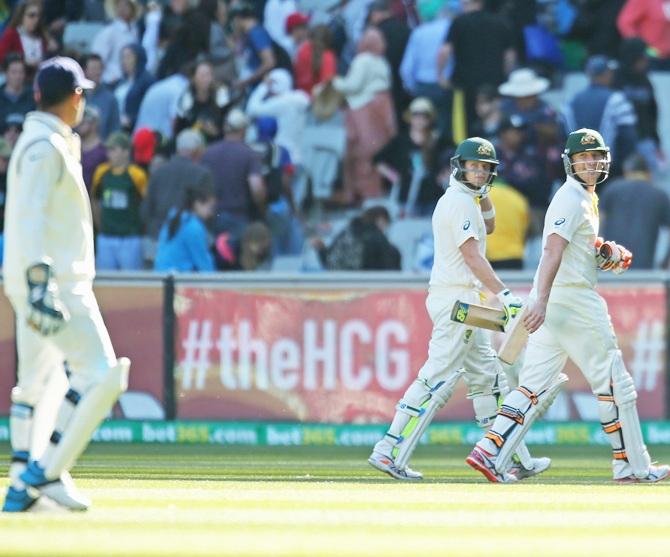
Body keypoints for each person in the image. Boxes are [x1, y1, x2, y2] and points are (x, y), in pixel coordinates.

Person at [467, 128, 670, 484]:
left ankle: (490, 452)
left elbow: (572, 248)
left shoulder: (583, 199)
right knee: (614, 383)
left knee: (533, 387)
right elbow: (551, 250)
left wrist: (602, 254)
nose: (591, 162)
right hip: (572, 300)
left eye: (596, 157)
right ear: (570, 162)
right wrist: (541, 299)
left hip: (558, 300)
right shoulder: (572, 198)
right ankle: (632, 467)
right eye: (583, 157)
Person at [368, 137, 548, 481]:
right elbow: (471, 256)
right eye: (474, 166)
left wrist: (483, 194)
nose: (479, 173)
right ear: (460, 166)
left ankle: (510, 458)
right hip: (458, 302)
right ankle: (388, 450)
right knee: (437, 376)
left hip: (467, 301)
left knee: (488, 380)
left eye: (485, 168)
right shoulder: (459, 202)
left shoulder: (469, 199)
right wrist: (505, 293)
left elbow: (491, 227)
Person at [1, 56, 130, 512]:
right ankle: (49, 469)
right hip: (56, 282)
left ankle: (20, 486)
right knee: (104, 376)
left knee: (38, 385)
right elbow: (32, 215)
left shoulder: (44, 141)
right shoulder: (44, 147)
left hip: (40, 279)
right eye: (82, 95)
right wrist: (41, 283)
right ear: (74, 97)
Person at [563, 55, 638, 180]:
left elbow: (562, 135)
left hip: (578, 170)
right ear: (607, 74)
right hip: (609, 170)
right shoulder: (616, 100)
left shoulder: (571, 101)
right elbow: (628, 137)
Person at [600, 154, 670, 269]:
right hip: (643, 269)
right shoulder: (659, 195)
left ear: (626, 171)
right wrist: (666, 260)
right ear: (649, 173)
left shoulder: (611, 190)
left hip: (612, 267)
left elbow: (597, 225)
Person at [91, 131, 148, 270]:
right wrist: (102, 226)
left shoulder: (137, 175)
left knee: (131, 282)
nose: (109, 154)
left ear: (126, 151)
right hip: (106, 236)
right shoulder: (101, 172)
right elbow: (95, 200)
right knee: (106, 281)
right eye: (108, 149)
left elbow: (146, 203)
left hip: (130, 238)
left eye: (113, 149)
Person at [154, 181, 217, 272]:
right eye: (210, 208)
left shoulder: (173, 218)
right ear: (197, 204)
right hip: (180, 277)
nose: (211, 213)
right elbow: (204, 263)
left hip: (161, 274)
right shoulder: (193, 227)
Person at [82, 54, 121, 141]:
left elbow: (115, 130)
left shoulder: (110, 99)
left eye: (99, 68)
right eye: (93, 69)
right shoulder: (78, 96)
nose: (97, 72)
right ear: (85, 71)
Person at [0, 54, 35, 127]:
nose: (18, 76)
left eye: (21, 72)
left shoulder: (33, 96)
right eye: (14, 72)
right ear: (5, 73)